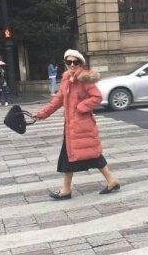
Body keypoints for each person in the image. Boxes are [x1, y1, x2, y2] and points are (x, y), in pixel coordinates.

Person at [33, 49, 120, 200]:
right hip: (71, 126)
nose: (72, 65)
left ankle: (66, 190)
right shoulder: (66, 79)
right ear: (65, 63)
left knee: (76, 155)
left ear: (80, 63)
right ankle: (111, 181)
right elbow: (58, 100)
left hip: (82, 125)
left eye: (75, 62)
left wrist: (80, 107)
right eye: (69, 62)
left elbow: (97, 97)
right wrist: (42, 114)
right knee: (87, 155)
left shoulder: (84, 78)